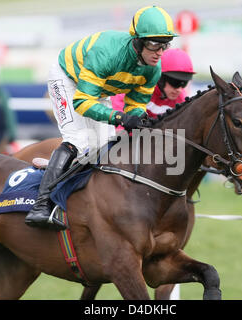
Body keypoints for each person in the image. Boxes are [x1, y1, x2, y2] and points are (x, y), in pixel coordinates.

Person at [25, 6, 178, 230]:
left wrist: (137, 118)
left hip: (101, 90)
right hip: (68, 78)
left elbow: (135, 105)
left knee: (104, 149)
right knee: (78, 139)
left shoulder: (153, 69)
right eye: (154, 43)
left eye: (164, 44)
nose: (159, 52)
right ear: (137, 41)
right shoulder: (107, 53)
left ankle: (84, 202)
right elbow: (82, 101)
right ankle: (41, 205)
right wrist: (120, 117)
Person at [111, 48, 195, 118]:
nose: (179, 90)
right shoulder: (139, 85)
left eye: (184, 83)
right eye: (175, 83)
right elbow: (118, 113)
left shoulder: (181, 100)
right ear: (161, 78)